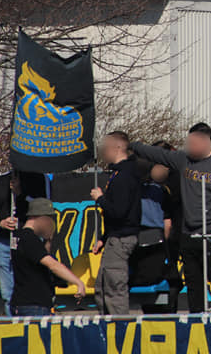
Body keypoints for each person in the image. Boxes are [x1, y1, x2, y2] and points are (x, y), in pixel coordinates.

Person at [131, 122, 211, 313]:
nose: (191, 147)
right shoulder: (184, 159)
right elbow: (159, 155)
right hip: (188, 233)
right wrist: (134, 145)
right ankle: (197, 319)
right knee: (193, 282)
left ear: (207, 142)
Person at [0, 169, 50, 315]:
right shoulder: (0, 181)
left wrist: (21, 193)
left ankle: (32, 323)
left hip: (29, 242)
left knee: (31, 287)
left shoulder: (40, 177)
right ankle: (12, 325)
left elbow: (44, 205)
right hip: (6, 242)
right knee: (7, 293)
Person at [90, 131, 141, 316]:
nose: (104, 152)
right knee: (102, 286)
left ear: (118, 148)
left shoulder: (125, 176)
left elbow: (119, 212)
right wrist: (104, 237)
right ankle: (107, 327)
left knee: (113, 288)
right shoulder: (119, 173)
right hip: (114, 237)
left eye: (107, 147)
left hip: (122, 239)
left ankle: (120, 330)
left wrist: (101, 198)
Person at [10, 198, 85, 316]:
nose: (51, 223)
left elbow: (39, 259)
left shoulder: (21, 237)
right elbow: (53, 265)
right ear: (40, 218)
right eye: (49, 219)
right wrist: (78, 282)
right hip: (32, 306)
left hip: (27, 303)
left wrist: (48, 241)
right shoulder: (29, 239)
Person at [130, 160, 180, 312]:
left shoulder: (131, 191)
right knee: (169, 276)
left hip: (136, 239)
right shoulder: (161, 190)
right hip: (156, 238)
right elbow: (167, 222)